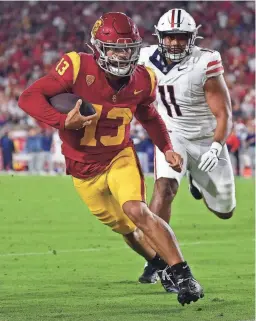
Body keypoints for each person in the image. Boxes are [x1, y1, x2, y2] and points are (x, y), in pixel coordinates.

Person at [18, 12, 204, 306]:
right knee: (127, 230)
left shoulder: (144, 78)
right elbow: (28, 97)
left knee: (137, 211)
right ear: (98, 48)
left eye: (128, 48)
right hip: (82, 169)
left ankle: (184, 275)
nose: (122, 55)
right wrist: (63, 120)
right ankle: (159, 264)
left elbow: (149, 115)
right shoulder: (77, 66)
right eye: (115, 48)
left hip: (119, 156)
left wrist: (166, 147)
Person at [138, 9, 236, 284]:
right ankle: (158, 261)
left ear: (191, 38)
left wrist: (217, 146)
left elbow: (224, 113)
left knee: (225, 211)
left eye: (181, 37)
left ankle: (198, 182)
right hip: (172, 135)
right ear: (160, 37)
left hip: (206, 138)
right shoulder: (143, 58)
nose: (174, 43)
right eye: (169, 37)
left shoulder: (205, 61)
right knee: (164, 188)